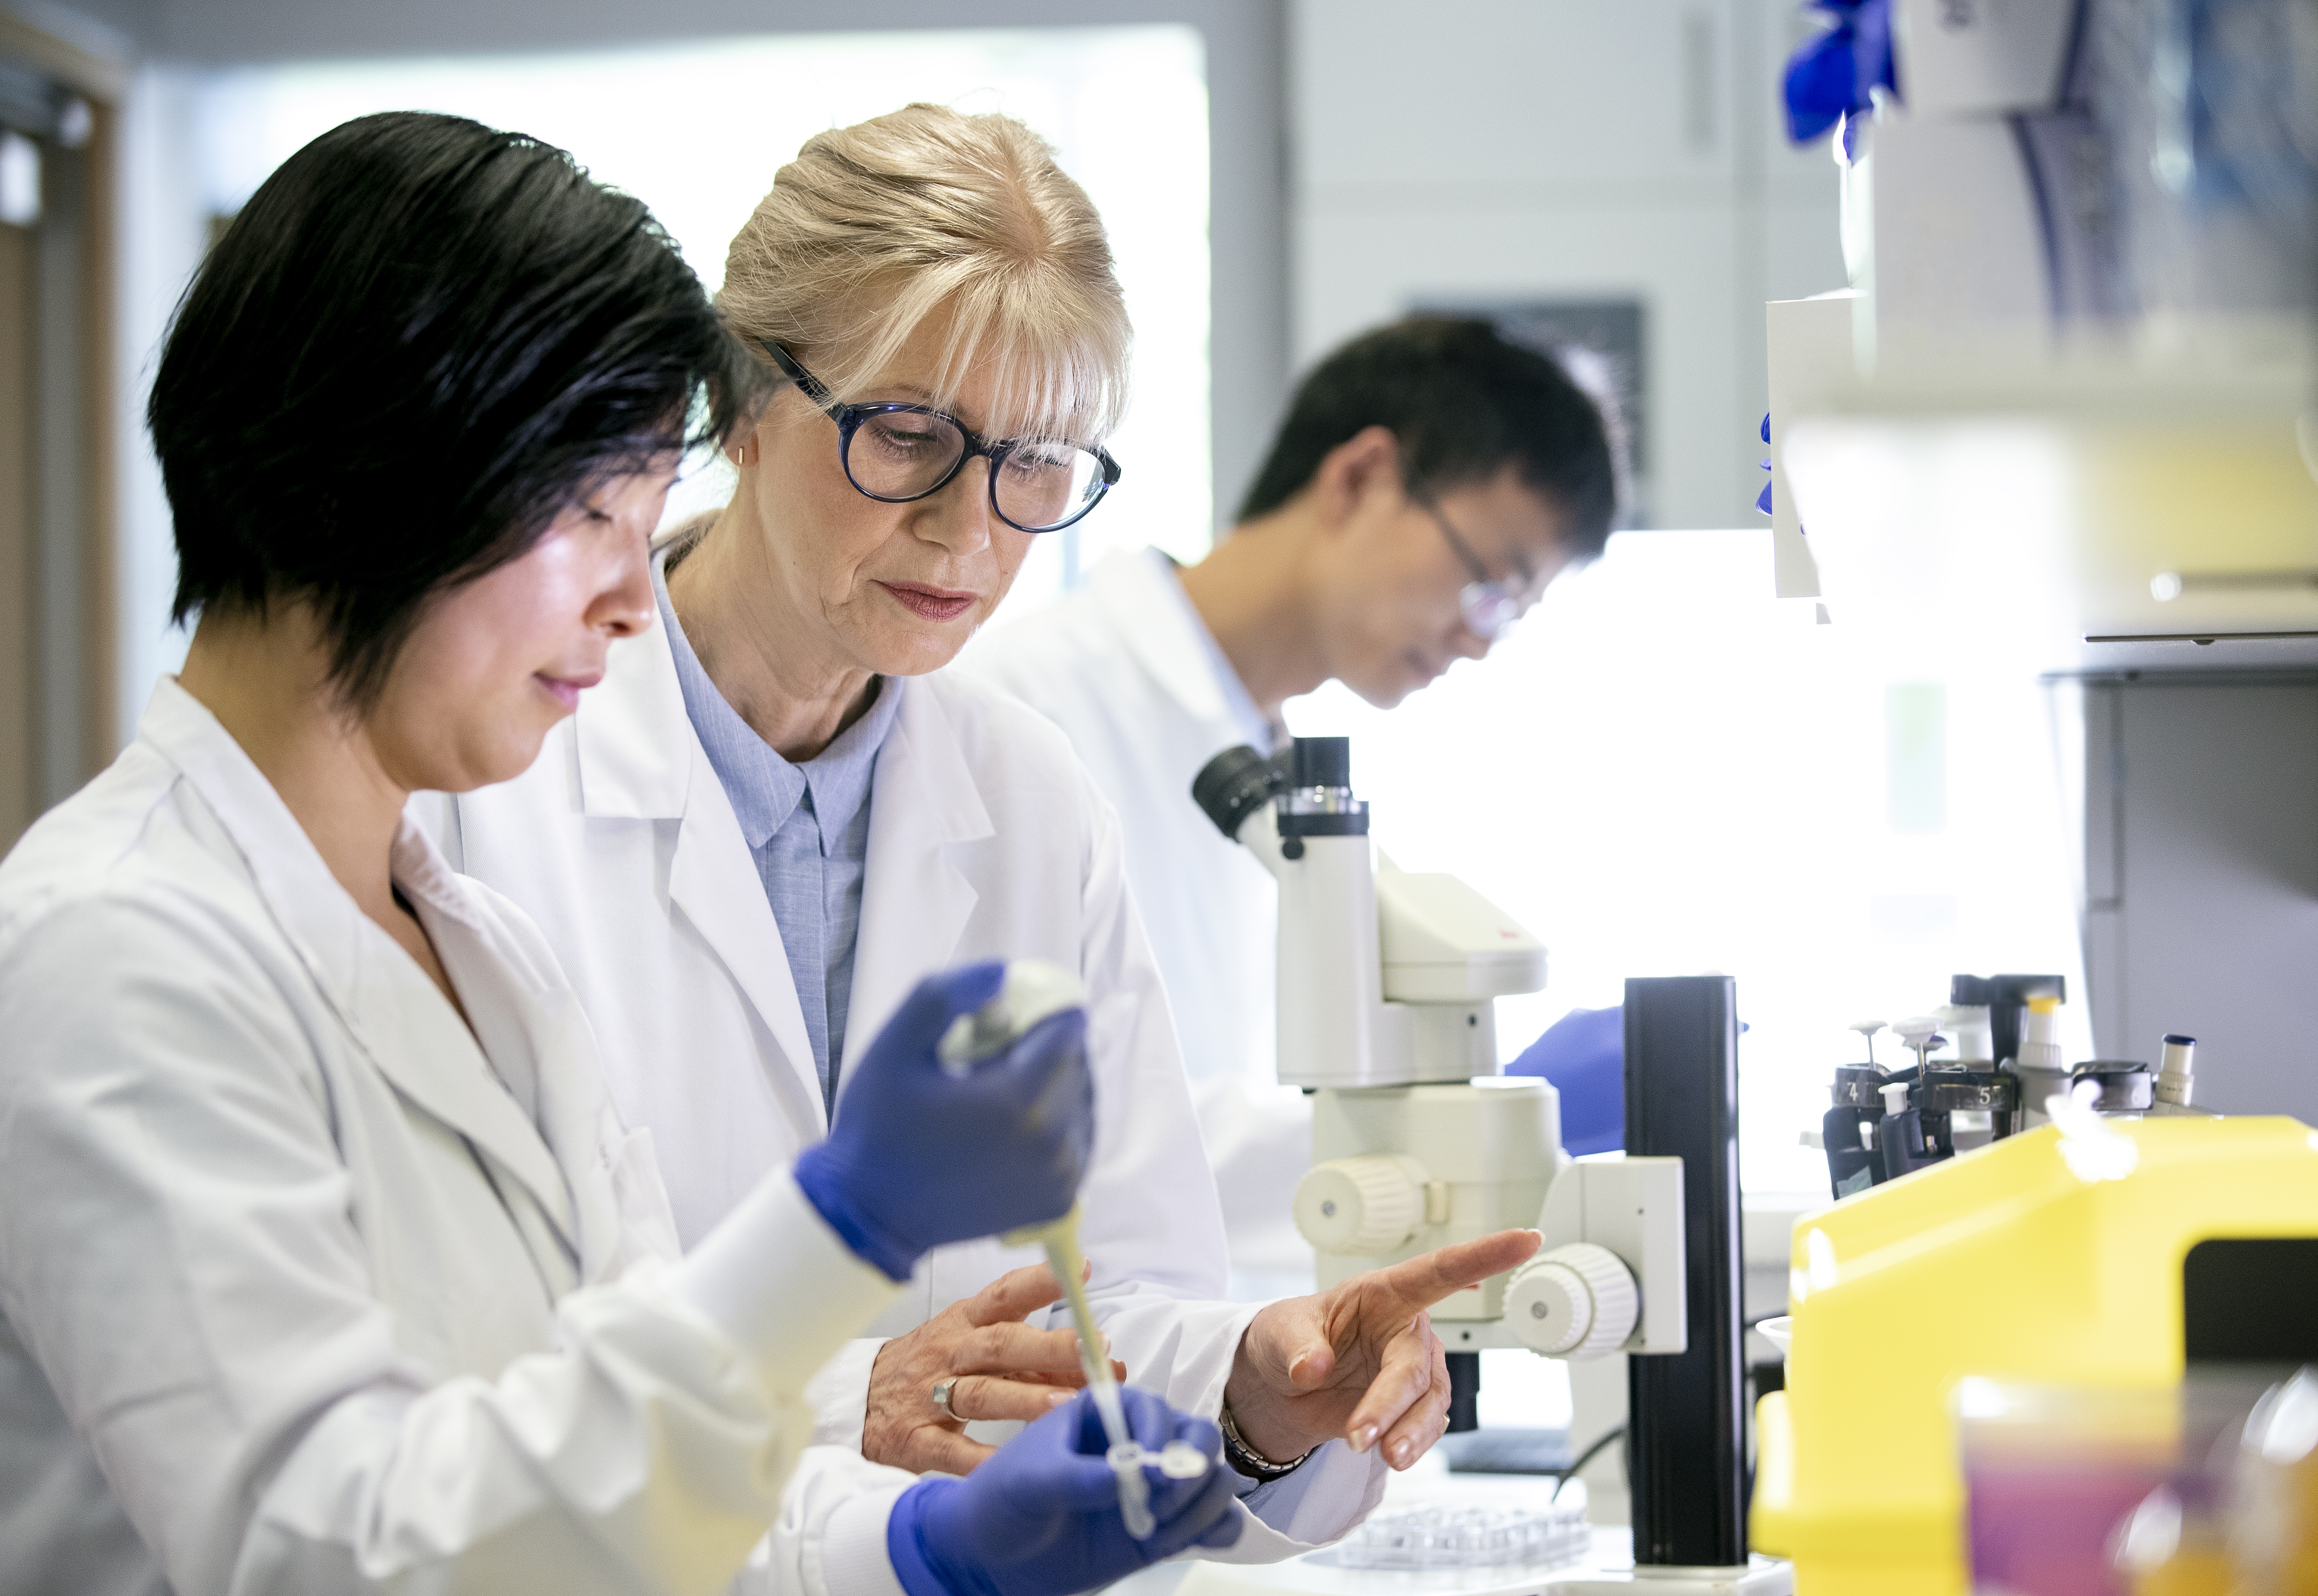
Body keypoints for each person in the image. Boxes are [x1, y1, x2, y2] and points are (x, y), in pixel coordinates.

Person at [0, 111, 1245, 1596]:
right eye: (593, 512)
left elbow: (627, 1469)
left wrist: (918, 1545)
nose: (626, 597)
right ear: (375, 476)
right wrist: (838, 1223)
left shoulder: (472, 944)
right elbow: (342, 1548)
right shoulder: (109, 951)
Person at [426, 101, 1541, 1556]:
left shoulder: (1025, 788)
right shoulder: (494, 774)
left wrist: (1266, 1391)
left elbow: (1113, 1297)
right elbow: (466, 1364)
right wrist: (849, 1402)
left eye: (1036, 464)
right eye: (907, 437)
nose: (971, 532)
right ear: (745, 400)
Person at [966, 317, 1623, 1290]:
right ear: (1361, 478)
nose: (1480, 641)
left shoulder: (1275, 766)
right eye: (1490, 584)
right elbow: (1030, 1132)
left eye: (1511, 619)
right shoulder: (1028, 713)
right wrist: (1454, 1135)